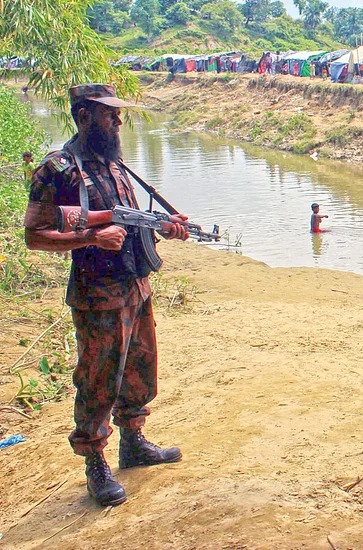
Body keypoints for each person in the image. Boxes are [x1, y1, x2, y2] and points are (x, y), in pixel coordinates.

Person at [23, 84, 189, 507]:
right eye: (109, 114)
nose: (118, 121)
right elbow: (35, 236)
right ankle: (95, 463)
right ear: (83, 116)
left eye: (118, 114)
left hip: (135, 284)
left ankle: (133, 443)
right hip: (97, 294)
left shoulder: (115, 165)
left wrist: (165, 226)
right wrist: (91, 239)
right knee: (99, 378)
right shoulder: (58, 170)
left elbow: (129, 221)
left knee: (140, 368)